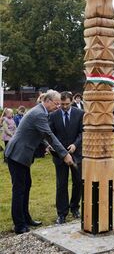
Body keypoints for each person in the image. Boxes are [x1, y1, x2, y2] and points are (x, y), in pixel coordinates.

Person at [5, 90, 74, 234]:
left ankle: (26, 218)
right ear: (47, 101)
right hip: (17, 155)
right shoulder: (39, 113)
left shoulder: (41, 112)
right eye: (56, 104)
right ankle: (19, 225)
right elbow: (49, 135)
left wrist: (46, 146)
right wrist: (65, 154)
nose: (58, 107)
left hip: (22, 155)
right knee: (19, 190)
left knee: (26, 186)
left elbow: (40, 133)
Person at [49, 91, 84, 224]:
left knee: (78, 182)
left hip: (76, 154)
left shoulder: (79, 113)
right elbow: (50, 134)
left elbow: (82, 132)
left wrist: (75, 145)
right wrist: (59, 150)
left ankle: (75, 207)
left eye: (67, 104)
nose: (64, 107)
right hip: (60, 155)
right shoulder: (53, 115)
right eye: (62, 104)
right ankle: (62, 213)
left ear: (72, 101)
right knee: (61, 184)